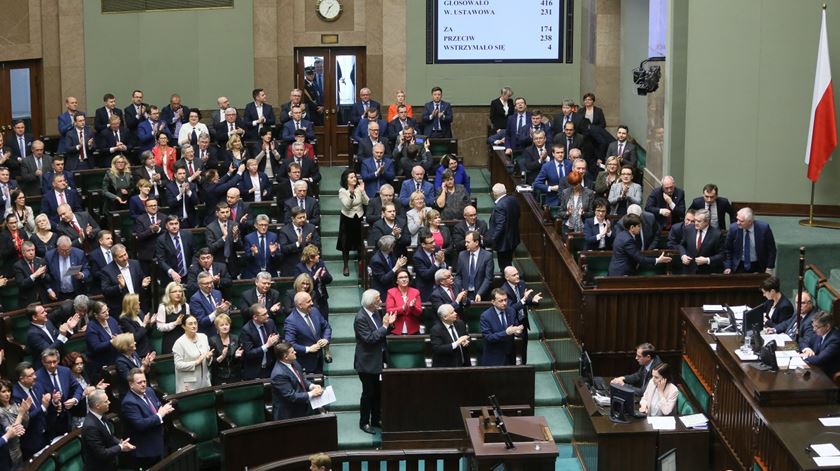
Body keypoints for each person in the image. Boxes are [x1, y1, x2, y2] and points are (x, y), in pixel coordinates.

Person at [354, 290, 395, 434]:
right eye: (378, 299)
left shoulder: (376, 312)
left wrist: (389, 324)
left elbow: (382, 334)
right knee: (368, 393)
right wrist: (384, 326)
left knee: (378, 392)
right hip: (367, 363)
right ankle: (364, 422)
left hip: (379, 359)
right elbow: (370, 339)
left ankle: (376, 418)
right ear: (371, 302)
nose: (381, 300)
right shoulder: (360, 318)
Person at [120, 369, 174, 469]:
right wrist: (160, 415)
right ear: (131, 384)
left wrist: (165, 410)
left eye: (144, 381)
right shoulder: (129, 402)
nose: (143, 384)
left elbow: (157, 407)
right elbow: (140, 424)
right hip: (145, 450)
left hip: (159, 442)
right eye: (139, 382)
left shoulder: (149, 391)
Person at [81, 389, 135, 470]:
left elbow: (109, 436)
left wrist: (120, 442)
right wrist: (120, 447)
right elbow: (101, 453)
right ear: (97, 405)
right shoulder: (90, 427)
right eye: (106, 401)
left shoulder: (100, 415)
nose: (109, 402)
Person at [36, 348, 82, 437]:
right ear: (43, 362)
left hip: (67, 416)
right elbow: (38, 399)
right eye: (49, 362)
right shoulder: (37, 376)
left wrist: (75, 399)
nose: (52, 365)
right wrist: (53, 402)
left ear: (58, 360)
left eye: (55, 361)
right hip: (49, 419)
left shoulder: (65, 371)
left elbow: (78, 387)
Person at [500, 266, 543, 364]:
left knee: (523, 350)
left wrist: (533, 301)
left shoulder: (521, 284)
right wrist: (523, 300)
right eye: (514, 275)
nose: (517, 276)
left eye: (517, 274)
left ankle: (524, 368)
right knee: (513, 352)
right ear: (507, 278)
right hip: (512, 324)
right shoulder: (504, 290)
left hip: (523, 321)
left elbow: (527, 299)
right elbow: (510, 309)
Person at [270, 342, 323, 420]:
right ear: (286, 356)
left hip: (301, 409)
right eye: (292, 352)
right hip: (288, 415)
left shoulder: (294, 362)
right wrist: (311, 394)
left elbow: (301, 379)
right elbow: (291, 396)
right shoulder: (278, 374)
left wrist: (312, 386)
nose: (295, 352)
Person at [284, 291, 332, 374]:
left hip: (318, 359)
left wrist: (325, 339)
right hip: (304, 363)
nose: (312, 303)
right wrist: (308, 349)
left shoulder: (315, 311)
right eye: (308, 302)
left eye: (311, 300)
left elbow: (326, 327)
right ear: (300, 305)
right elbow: (290, 343)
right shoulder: (291, 321)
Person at [12, 362, 50, 461]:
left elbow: (45, 404)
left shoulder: (37, 385)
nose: (35, 377)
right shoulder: (15, 395)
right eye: (31, 375)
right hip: (31, 440)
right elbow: (25, 419)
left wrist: (53, 401)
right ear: (22, 379)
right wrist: (42, 407)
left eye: (34, 373)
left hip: (45, 433)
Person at [724, 207, 777, 274]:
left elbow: (771, 250)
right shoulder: (733, 228)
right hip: (738, 265)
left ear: (750, 222)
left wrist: (769, 267)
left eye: (741, 221)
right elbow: (727, 249)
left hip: (759, 265)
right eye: (737, 219)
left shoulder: (764, 228)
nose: (738, 223)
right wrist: (728, 266)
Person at [337, 169, 369, 276]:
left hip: (359, 217)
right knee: (345, 242)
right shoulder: (342, 191)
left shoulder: (359, 189)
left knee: (360, 242)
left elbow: (367, 202)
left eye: (355, 177)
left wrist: (363, 191)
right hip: (347, 219)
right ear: (346, 180)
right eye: (351, 177)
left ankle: (361, 266)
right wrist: (351, 194)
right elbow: (347, 205)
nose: (354, 179)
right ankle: (346, 265)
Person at [480, 289, 523, 366]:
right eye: (501, 301)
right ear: (493, 302)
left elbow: (515, 326)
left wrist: (518, 331)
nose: (504, 303)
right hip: (494, 358)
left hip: (510, 357)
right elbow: (489, 337)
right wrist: (506, 332)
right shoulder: (485, 316)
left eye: (506, 300)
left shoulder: (511, 311)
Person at [240, 304, 281, 380]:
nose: (268, 316)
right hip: (255, 371)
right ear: (255, 317)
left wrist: (276, 340)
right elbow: (249, 353)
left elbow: (278, 339)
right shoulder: (246, 330)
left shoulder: (270, 323)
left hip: (271, 368)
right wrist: (267, 345)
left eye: (267, 313)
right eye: (264, 314)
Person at [172, 315, 212, 393]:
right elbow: (178, 365)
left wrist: (208, 358)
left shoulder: (203, 337)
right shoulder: (179, 343)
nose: (194, 326)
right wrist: (196, 362)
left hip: (205, 382)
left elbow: (207, 357)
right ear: (183, 326)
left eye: (195, 323)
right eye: (190, 324)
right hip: (189, 385)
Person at [677, 208, 724, 274]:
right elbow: (681, 245)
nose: (695, 223)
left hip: (707, 272)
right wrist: (683, 255)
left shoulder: (716, 234)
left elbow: (721, 255)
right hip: (689, 270)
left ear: (707, 222)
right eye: (695, 220)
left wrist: (707, 260)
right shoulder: (688, 229)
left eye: (699, 221)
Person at [278, 207, 320, 276]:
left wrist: (309, 242)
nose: (303, 219)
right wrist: (297, 244)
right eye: (299, 218)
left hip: (309, 267)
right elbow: (284, 249)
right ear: (293, 219)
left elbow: (318, 245)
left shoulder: (311, 228)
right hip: (292, 267)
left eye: (304, 217)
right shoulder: (284, 230)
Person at [86, 301, 122, 381]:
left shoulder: (111, 320)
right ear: (96, 315)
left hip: (115, 359)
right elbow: (96, 347)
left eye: (107, 310)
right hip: (101, 364)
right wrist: (111, 341)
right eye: (103, 312)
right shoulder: (92, 327)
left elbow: (120, 334)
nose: (107, 313)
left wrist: (119, 338)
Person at [294, 244, 333, 319]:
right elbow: (298, 285)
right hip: (309, 301)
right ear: (311, 258)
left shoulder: (320, 263)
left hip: (322, 299)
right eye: (316, 255)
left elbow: (330, 279)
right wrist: (314, 277)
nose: (318, 256)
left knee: (325, 321)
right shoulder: (299, 268)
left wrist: (324, 276)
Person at [488, 183, 520, 270]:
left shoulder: (499, 206)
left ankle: (507, 281)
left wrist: (493, 239)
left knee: (504, 266)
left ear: (494, 194)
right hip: (513, 239)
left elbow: (500, 225)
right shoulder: (514, 200)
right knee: (508, 262)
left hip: (503, 243)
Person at [190, 272, 231, 338]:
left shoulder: (217, 293)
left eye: (211, 282)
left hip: (223, 334)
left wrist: (226, 310)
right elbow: (202, 322)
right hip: (208, 336)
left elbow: (223, 315)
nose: (209, 285)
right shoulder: (195, 299)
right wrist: (216, 313)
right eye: (206, 283)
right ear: (199, 285)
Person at [456, 231, 494, 302]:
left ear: (476, 242)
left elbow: (488, 278)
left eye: (468, 242)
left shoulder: (487, 256)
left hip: (481, 294)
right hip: (465, 294)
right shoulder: (462, 255)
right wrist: (461, 290)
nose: (465, 244)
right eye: (465, 242)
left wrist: (480, 293)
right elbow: (458, 276)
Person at [112, 333, 153, 398]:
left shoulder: (134, 354)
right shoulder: (120, 361)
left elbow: (144, 372)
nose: (135, 342)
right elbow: (130, 379)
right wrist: (143, 366)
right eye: (132, 342)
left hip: (142, 389)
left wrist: (147, 364)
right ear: (126, 346)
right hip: (131, 394)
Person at [800, 311, 840, 377]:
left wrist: (804, 356)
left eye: (816, 327)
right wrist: (807, 349)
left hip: (827, 375)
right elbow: (803, 341)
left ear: (827, 326)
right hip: (816, 369)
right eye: (813, 326)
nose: (814, 329)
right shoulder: (819, 332)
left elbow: (819, 359)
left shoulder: (835, 339)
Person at [0, 378, 28, 470]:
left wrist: (25, 413)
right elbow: (13, 432)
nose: (7, 394)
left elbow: (25, 425)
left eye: (9, 391)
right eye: (3, 391)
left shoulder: (14, 404)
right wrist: (20, 414)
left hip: (19, 447)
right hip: (8, 452)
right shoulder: (0, 411)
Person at [385, 269, 423, 335]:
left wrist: (412, 307)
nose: (404, 279)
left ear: (409, 279)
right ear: (396, 281)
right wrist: (402, 308)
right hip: (396, 329)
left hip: (413, 329)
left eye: (406, 277)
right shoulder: (391, 292)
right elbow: (389, 310)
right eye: (401, 277)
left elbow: (419, 312)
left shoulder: (415, 292)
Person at [208, 314, 243, 385]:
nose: (225, 327)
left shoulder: (235, 338)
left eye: (226, 324)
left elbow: (240, 361)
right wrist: (222, 356)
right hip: (219, 377)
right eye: (222, 325)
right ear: (217, 327)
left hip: (235, 376)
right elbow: (211, 362)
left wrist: (236, 357)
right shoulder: (212, 340)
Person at [156, 282, 189, 354]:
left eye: (180, 291)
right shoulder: (162, 307)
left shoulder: (186, 306)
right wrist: (175, 323)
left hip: (184, 340)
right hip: (169, 341)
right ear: (169, 294)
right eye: (175, 291)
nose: (178, 293)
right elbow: (160, 327)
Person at [413, 230, 447, 301]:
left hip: (439, 288)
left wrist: (443, 263)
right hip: (426, 291)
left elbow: (443, 268)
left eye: (434, 241)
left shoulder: (436, 249)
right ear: (423, 244)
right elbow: (426, 275)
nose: (434, 244)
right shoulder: (417, 257)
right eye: (431, 243)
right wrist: (437, 262)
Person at [118, 293, 153, 358]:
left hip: (148, 349)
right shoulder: (124, 319)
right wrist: (144, 324)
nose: (139, 302)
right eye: (137, 301)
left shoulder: (140, 312)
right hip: (139, 352)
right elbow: (135, 338)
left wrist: (150, 323)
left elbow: (147, 332)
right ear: (131, 305)